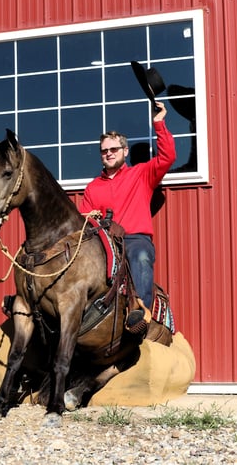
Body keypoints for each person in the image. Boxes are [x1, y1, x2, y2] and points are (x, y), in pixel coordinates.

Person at [79, 101, 176, 334]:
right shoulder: (92, 187)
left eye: (113, 149)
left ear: (125, 151)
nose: (108, 154)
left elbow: (168, 157)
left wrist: (159, 123)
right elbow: (82, 217)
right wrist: (89, 217)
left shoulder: (141, 174)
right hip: (102, 241)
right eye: (104, 151)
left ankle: (139, 313)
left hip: (134, 239)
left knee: (141, 256)